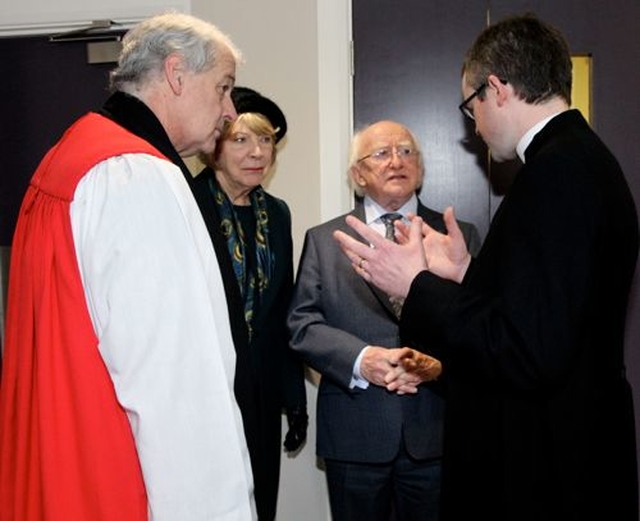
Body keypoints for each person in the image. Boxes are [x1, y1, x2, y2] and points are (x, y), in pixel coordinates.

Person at [334, 14, 639, 521]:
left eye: (469, 105)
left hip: (546, 467)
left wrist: (417, 287)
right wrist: (469, 275)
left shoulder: (555, 172)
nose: (473, 125)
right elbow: (552, 306)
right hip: (572, 448)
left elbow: (527, 349)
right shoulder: (579, 159)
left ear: (496, 89)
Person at [0, 13, 257, 521]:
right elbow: (174, 389)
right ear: (177, 74)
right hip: (115, 480)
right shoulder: (134, 175)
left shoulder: (71, 153)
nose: (230, 111)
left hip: (64, 468)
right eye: (224, 88)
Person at [288, 120, 480, 521]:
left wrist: (438, 367)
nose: (396, 160)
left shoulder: (459, 237)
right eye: (382, 153)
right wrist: (362, 360)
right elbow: (302, 325)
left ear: (421, 168)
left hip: (437, 431)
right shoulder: (325, 240)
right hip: (354, 433)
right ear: (358, 174)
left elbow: (480, 326)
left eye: (406, 151)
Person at [196, 86, 307, 521]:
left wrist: (294, 398)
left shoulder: (276, 212)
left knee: (260, 506)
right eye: (241, 139)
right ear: (215, 148)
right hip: (208, 393)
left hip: (261, 393)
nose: (258, 152)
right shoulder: (189, 203)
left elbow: (282, 310)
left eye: (265, 141)